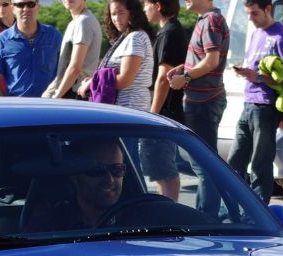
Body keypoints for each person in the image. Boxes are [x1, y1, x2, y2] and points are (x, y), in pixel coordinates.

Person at [228, 0, 283, 204]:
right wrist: (246, 72)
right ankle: (232, 209)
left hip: (266, 106)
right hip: (248, 103)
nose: (250, 18)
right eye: (248, 14)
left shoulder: (281, 36)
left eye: (254, 13)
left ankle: (259, 211)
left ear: (268, 9)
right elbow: (256, 67)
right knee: (235, 161)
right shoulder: (255, 33)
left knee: (260, 163)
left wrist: (258, 77)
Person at [167, 0, 228, 216]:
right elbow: (207, 60)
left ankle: (207, 217)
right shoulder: (206, 20)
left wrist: (185, 77)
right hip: (202, 101)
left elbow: (212, 61)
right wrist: (186, 67)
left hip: (203, 102)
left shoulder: (211, 20)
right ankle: (211, 214)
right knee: (203, 163)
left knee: (204, 166)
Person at [24, 139, 129, 231]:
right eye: (97, 170)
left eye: (117, 169)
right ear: (74, 175)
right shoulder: (48, 228)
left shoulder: (139, 219)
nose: (109, 180)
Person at [141, 0, 187, 199]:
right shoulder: (171, 30)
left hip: (165, 110)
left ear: (158, 6)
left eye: (146, 5)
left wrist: (153, 114)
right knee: (161, 172)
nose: (144, 9)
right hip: (168, 109)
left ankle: (169, 214)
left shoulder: (168, 33)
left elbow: (163, 77)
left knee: (164, 170)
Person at [80, 0, 154, 113]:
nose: (116, 18)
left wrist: (92, 83)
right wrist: (94, 79)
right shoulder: (126, 37)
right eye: (113, 14)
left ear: (133, 13)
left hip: (130, 108)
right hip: (122, 108)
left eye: (121, 13)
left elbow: (125, 80)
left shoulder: (135, 38)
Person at [0, 0, 62, 97]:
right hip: (17, 107)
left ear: (37, 7)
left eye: (31, 4)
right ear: (13, 8)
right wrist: (4, 107)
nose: (26, 9)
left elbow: (65, 70)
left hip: (49, 105)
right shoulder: (2, 40)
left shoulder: (54, 36)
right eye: (20, 5)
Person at [43, 0, 102, 99]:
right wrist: (49, 93)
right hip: (68, 91)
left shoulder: (84, 21)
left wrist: (56, 97)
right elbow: (64, 66)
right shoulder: (74, 23)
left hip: (76, 93)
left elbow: (75, 68)